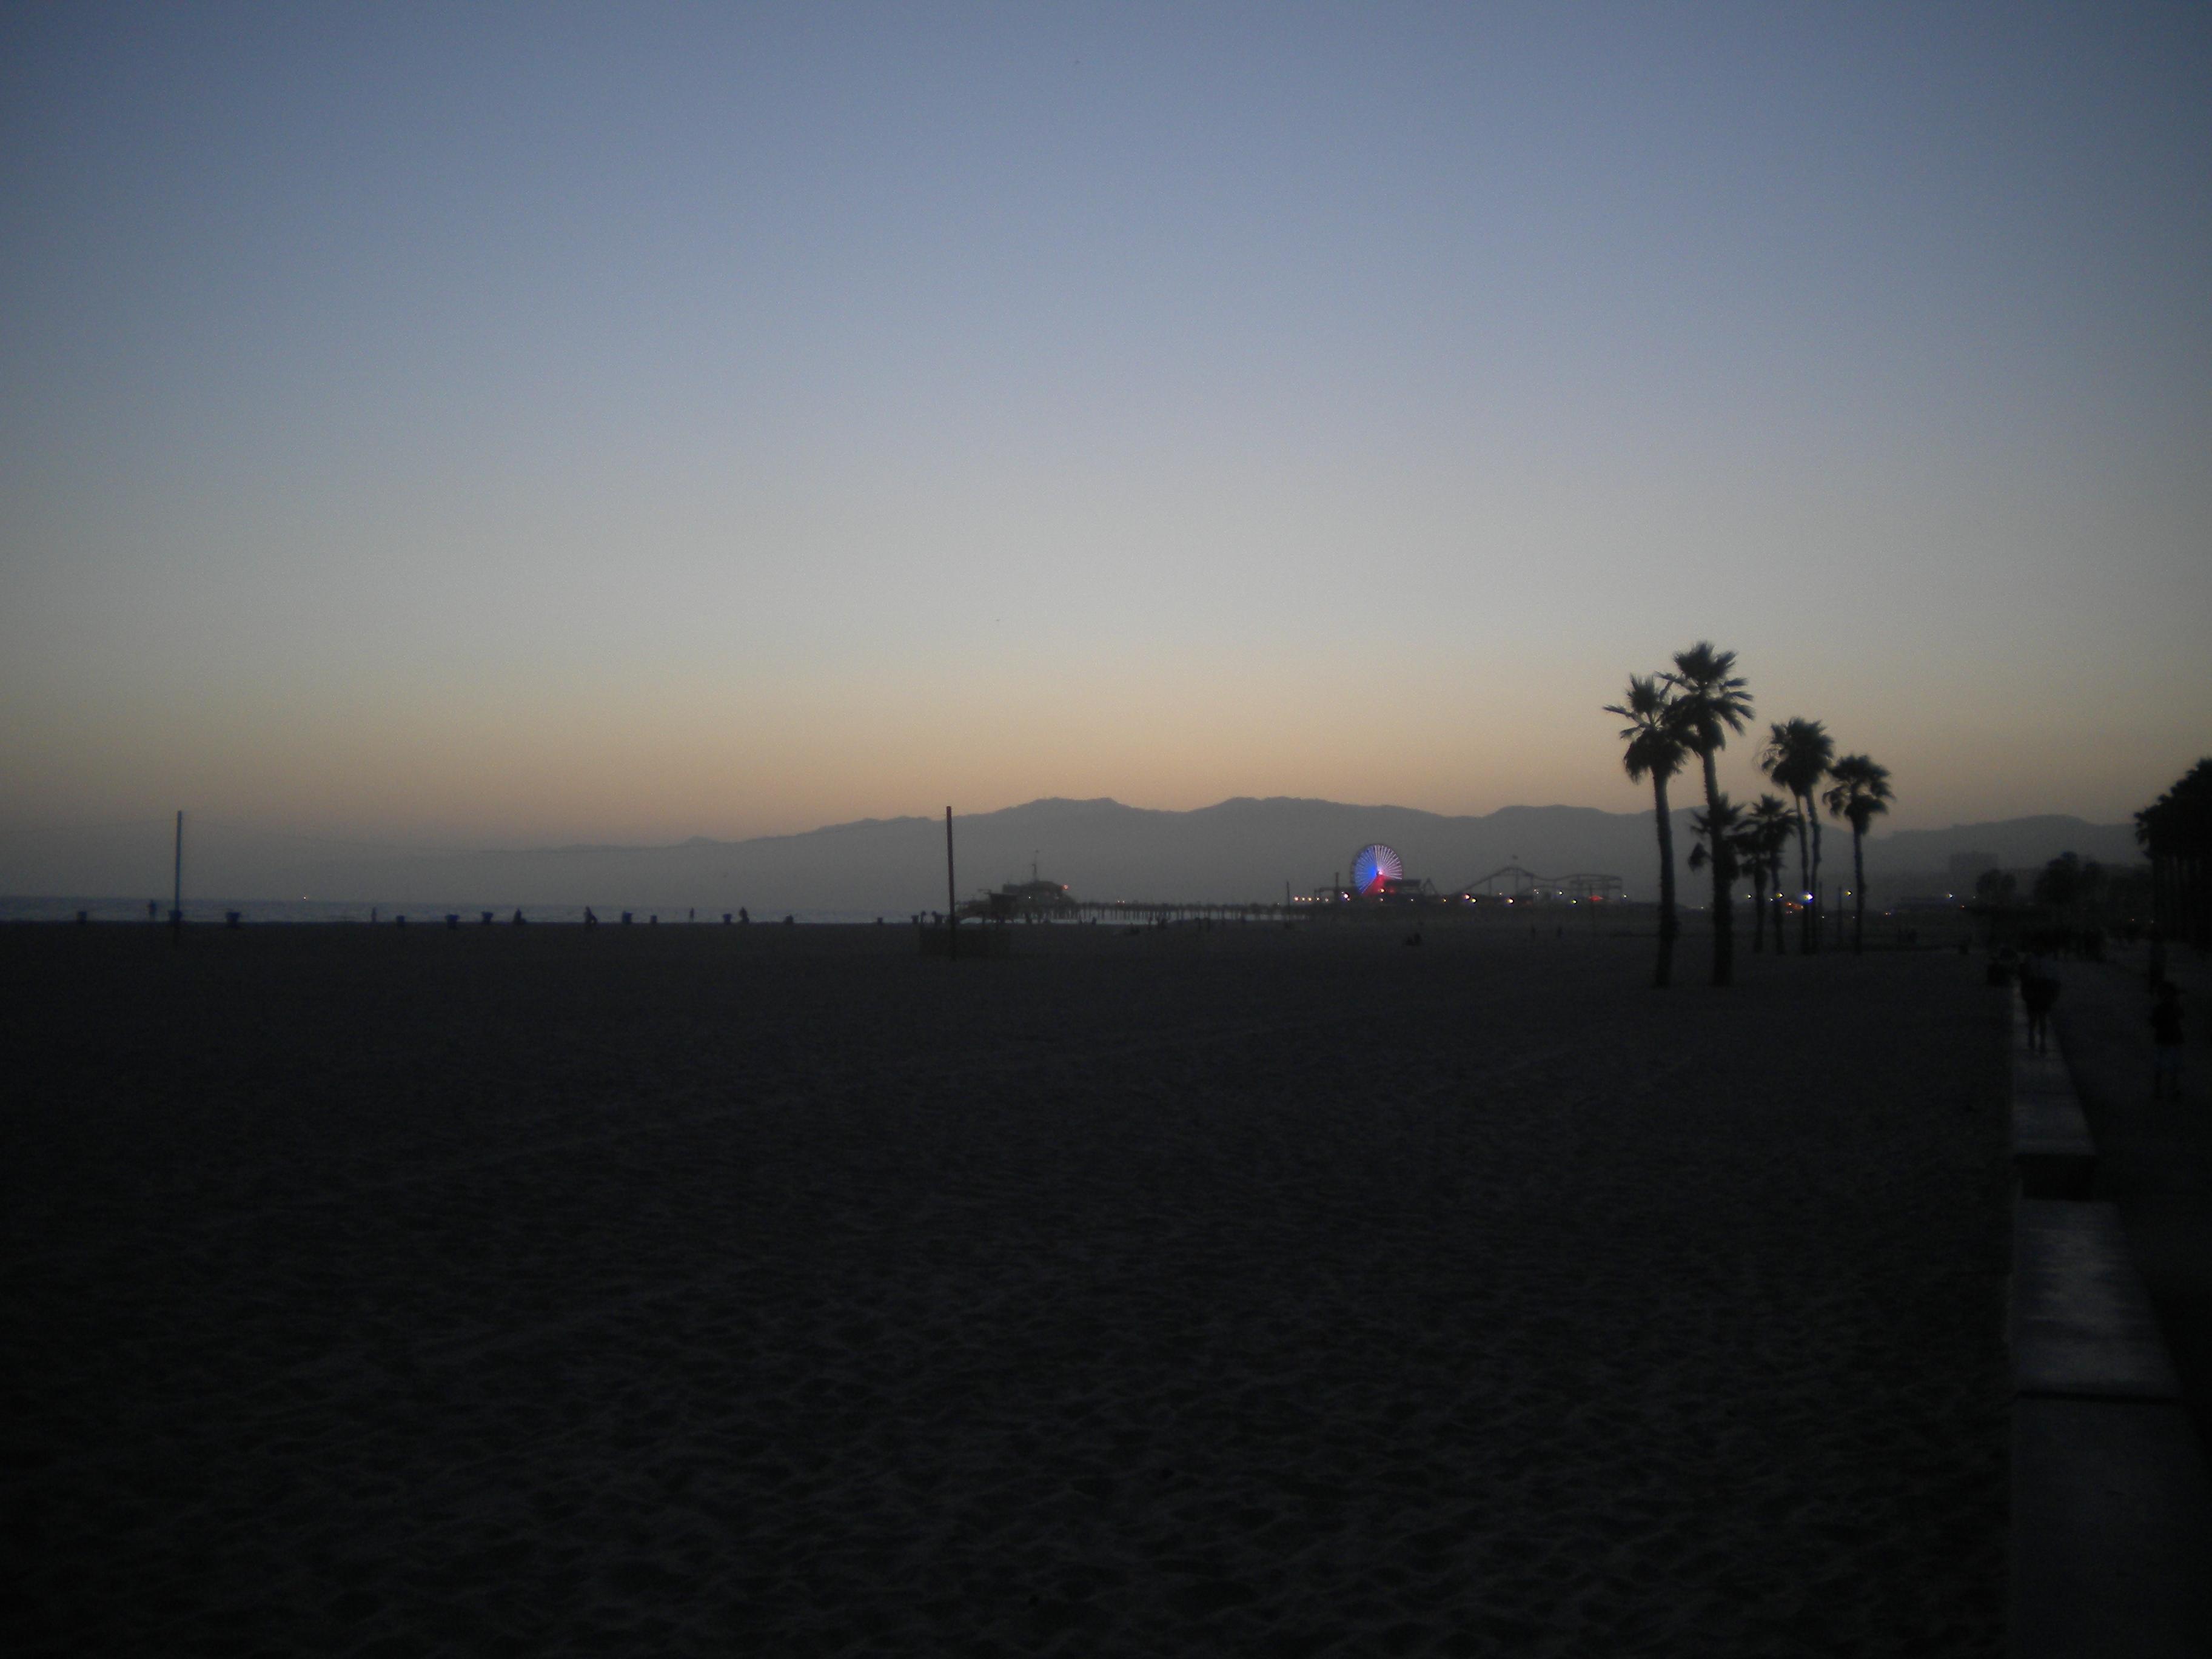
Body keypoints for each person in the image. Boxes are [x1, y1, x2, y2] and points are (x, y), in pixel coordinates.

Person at [2151, 981, 2185, 1100]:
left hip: (2165, 1039)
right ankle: (2169, 1089)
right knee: (2170, 1066)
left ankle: (2160, 1090)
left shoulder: (2161, 1008)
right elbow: (2181, 1016)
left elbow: (2153, 1023)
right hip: (2172, 1039)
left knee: (2163, 1065)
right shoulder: (2167, 1008)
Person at [2022, 966, 2060, 1055]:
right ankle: (2040, 1041)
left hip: (2036, 990)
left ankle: (2034, 1038)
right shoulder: (2048, 963)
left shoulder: (2032, 960)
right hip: (2042, 990)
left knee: (2035, 1018)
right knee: (2040, 1018)